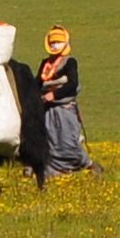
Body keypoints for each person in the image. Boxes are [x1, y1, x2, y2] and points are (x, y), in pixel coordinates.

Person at [37, 27, 93, 174]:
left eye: (58, 42)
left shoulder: (69, 62)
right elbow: (38, 84)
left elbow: (72, 84)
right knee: (51, 140)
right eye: (52, 42)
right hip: (47, 109)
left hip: (65, 108)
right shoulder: (45, 63)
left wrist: (54, 95)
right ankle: (53, 170)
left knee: (68, 139)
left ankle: (87, 165)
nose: (55, 45)